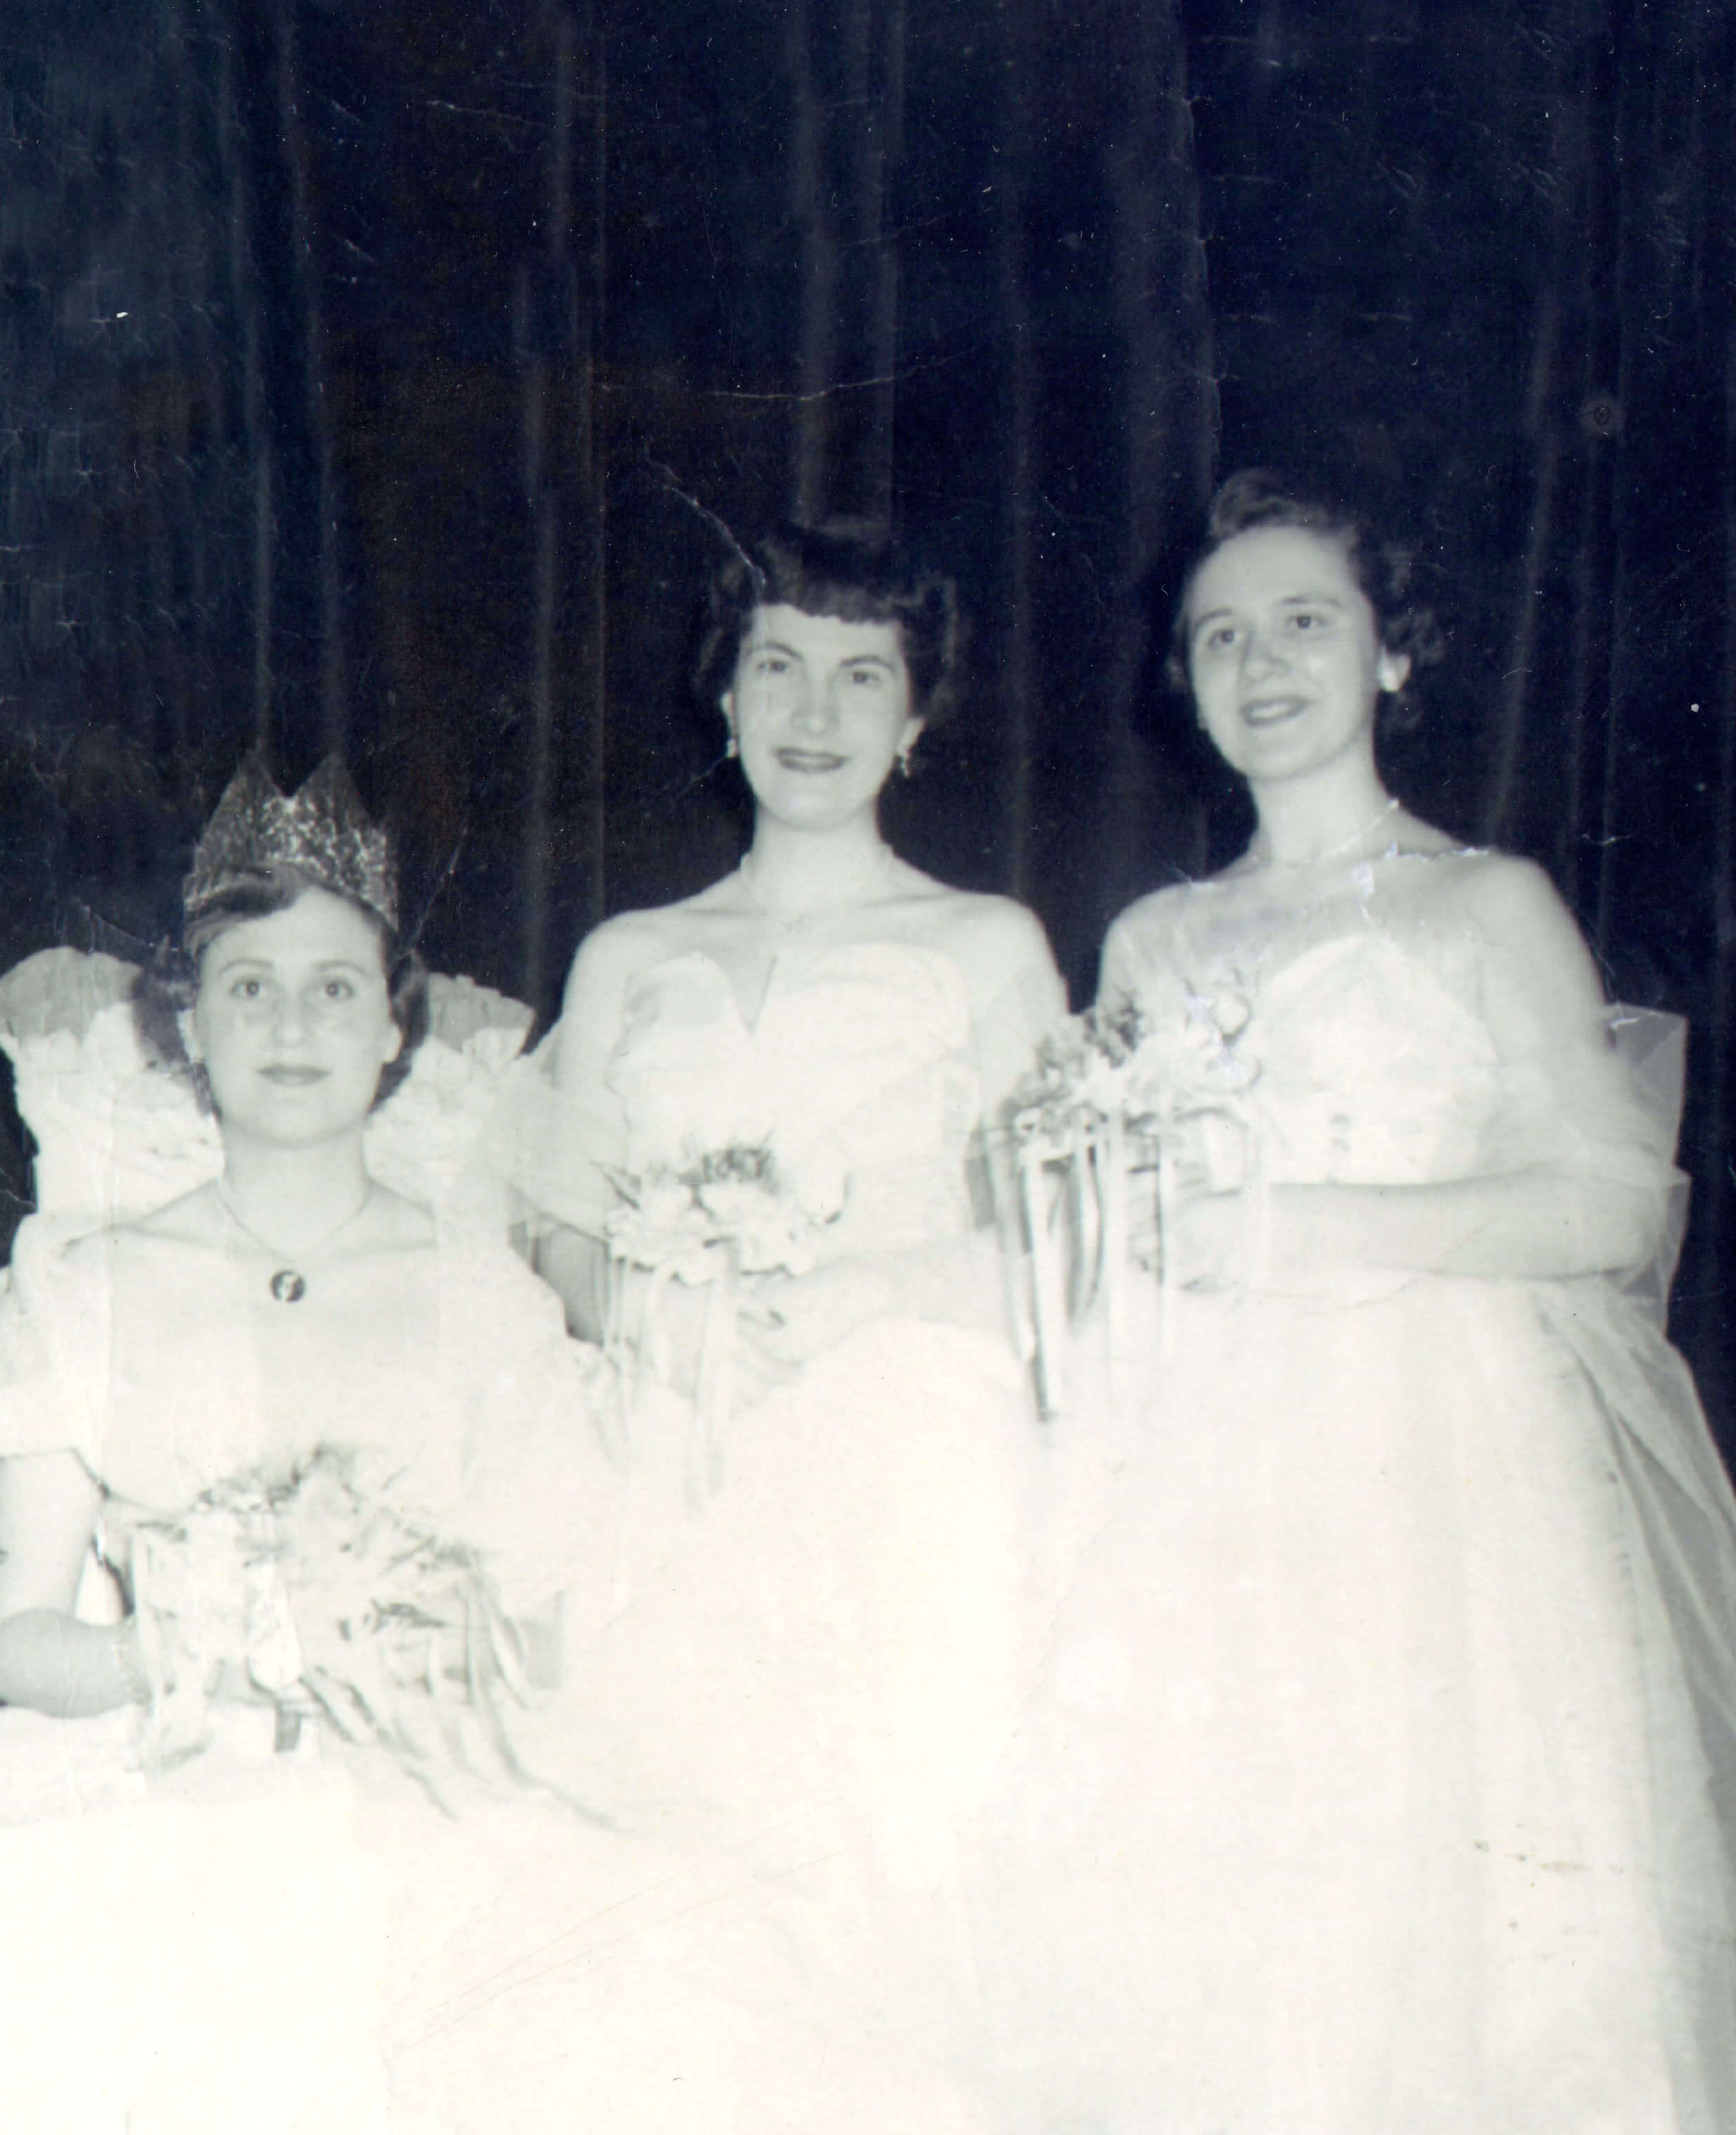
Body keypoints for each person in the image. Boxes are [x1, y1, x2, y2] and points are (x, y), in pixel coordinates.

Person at [985, 469, 1736, 2133]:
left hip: (1438, 1458)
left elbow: (1603, 1198)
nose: (1262, 660)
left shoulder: (1484, 901)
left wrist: (1315, 1223)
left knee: (1465, 1914)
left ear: (1395, 657)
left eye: (1307, 620)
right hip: (1201, 1468)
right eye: (1220, 633)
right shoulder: (1152, 938)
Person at [0, 757, 612, 2134]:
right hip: (154, 1799)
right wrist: (189, 1654)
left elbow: (549, 1608)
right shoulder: (80, 1283)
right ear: (188, 1026)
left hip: (416, 1815)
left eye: (336, 985)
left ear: (395, 1027)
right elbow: (17, 1634)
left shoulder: (485, 1294)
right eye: (248, 984)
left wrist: (391, 1649)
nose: (290, 1023)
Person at [473, 517, 1066, 2128]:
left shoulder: (984, 942)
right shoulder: (630, 955)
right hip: (665, 1435)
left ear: (917, 719)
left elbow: (1063, 1234)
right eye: (778, 665)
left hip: (904, 1433)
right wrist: (657, 1309)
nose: (817, 708)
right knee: (667, 1877)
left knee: (885, 1859)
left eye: (864, 674)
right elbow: (550, 1222)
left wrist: (855, 1298)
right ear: (724, 700)